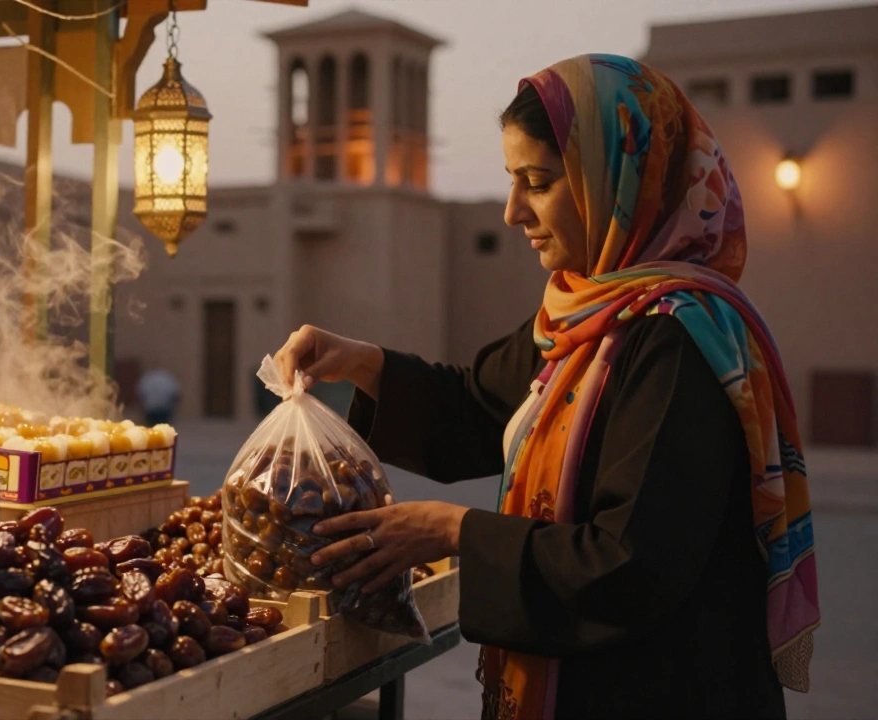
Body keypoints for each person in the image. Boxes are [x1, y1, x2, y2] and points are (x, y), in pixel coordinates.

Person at [275, 54, 819, 720]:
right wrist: (361, 362)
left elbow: (629, 565)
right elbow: (479, 407)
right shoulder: (585, 316)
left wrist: (455, 533)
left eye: (536, 182)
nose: (512, 212)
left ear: (616, 182)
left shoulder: (679, 341)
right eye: (511, 181)